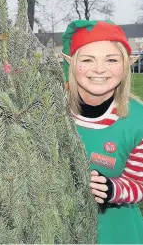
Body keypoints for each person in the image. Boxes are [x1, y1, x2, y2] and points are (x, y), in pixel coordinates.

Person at [62, 20, 143, 244]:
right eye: (87, 60)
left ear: (126, 65)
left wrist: (112, 189)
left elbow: (139, 184)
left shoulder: (138, 120)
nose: (99, 69)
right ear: (72, 64)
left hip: (115, 231)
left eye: (112, 60)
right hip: (59, 228)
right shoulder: (52, 111)